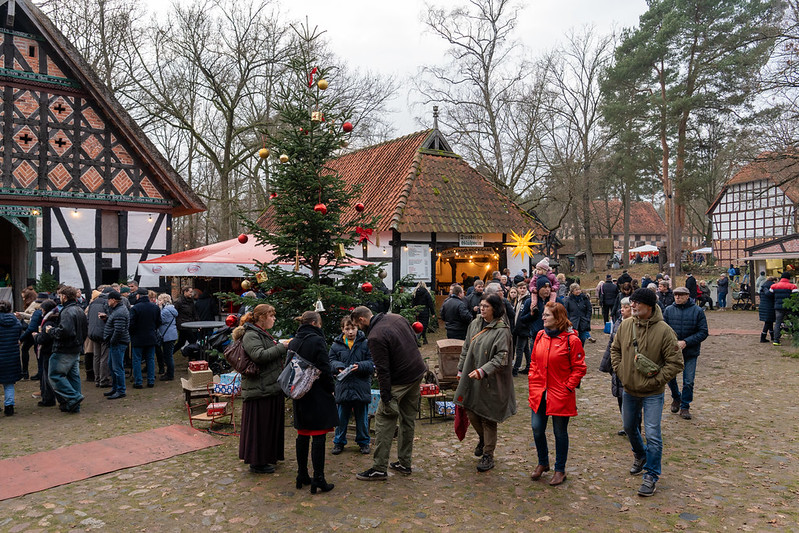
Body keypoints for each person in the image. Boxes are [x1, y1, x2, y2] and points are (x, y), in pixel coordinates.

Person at [610, 288, 683, 497]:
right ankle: (640, 455)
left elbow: (676, 363)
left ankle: (651, 475)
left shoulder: (664, 331)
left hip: (653, 393)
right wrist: (622, 371)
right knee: (629, 427)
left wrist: (656, 381)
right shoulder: (625, 325)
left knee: (652, 434)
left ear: (649, 306)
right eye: (631, 302)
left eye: (637, 302)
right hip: (629, 389)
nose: (632, 305)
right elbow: (615, 349)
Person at [351, 306, 426, 481]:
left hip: (400, 380)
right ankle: (404, 463)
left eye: (357, 325)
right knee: (408, 420)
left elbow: (382, 370)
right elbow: (414, 341)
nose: (359, 329)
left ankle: (379, 468)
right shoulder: (397, 318)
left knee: (384, 421)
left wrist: (385, 397)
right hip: (416, 373)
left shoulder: (375, 336)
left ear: (362, 319)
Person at [454, 293, 517, 472]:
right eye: (481, 305)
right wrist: (461, 369)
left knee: (488, 417)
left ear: (495, 309)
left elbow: (501, 357)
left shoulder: (502, 330)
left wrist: (483, 371)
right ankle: (483, 439)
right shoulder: (474, 324)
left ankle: (488, 454)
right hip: (471, 375)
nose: (482, 309)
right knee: (470, 409)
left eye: (486, 306)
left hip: (491, 379)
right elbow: (466, 347)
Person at [528, 302, 587, 486]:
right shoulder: (540, 335)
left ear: (558, 318)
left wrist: (567, 387)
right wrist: (532, 380)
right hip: (539, 391)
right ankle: (543, 462)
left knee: (559, 432)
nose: (543, 317)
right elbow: (533, 361)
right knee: (537, 428)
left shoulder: (572, 340)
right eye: (544, 314)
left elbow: (579, 368)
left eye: (547, 315)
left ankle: (560, 469)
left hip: (560, 394)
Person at [234, 304, 289, 475]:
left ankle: (268, 456)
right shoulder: (251, 335)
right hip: (259, 389)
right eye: (271, 316)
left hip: (268, 386)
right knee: (260, 427)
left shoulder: (261, 333)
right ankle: (257, 462)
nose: (274, 319)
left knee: (269, 425)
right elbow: (259, 355)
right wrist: (282, 347)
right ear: (262, 317)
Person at [289, 311, 338, 494]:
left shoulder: (294, 341)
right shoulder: (317, 341)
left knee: (302, 434)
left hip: (299, 393)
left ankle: (302, 474)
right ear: (315, 323)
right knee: (318, 436)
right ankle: (319, 478)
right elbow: (325, 368)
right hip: (317, 393)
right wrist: (330, 388)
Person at [329, 316, 374, 455]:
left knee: (362, 418)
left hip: (361, 386)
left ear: (357, 328)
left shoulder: (365, 343)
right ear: (342, 329)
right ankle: (339, 442)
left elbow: (372, 362)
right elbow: (331, 361)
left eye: (353, 328)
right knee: (341, 417)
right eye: (347, 329)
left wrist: (360, 366)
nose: (350, 332)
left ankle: (364, 442)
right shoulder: (336, 345)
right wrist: (338, 366)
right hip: (344, 386)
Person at [663, 287, 708, 420]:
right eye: (676, 295)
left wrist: (686, 342)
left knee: (688, 381)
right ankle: (676, 397)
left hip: (690, 351)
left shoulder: (697, 311)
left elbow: (703, 332)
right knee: (670, 378)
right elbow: (663, 330)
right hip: (672, 351)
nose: (678, 297)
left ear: (687, 296)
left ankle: (685, 406)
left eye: (681, 295)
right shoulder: (669, 310)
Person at [48, 286, 88, 414]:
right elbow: (84, 330)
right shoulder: (79, 310)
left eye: (60, 295)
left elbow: (65, 331)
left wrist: (51, 331)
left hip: (64, 349)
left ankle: (74, 397)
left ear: (64, 296)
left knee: (55, 375)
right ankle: (74, 405)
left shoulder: (67, 312)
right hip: (76, 348)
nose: (59, 298)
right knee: (73, 377)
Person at [599, 296, 632, 436]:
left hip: (629, 365)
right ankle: (626, 424)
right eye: (622, 307)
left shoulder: (635, 323)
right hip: (617, 364)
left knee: (630, 397)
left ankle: (633, 427)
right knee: (620, 395)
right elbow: (611, 343)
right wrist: (606, 363)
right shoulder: (618, 321)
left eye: (626, 307)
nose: (622, 310)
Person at [129, 289, 161, 389]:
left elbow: (131, 324)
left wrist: (133, 333)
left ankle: (138, 382)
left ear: (138, 296)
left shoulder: (135, 308)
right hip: (151, 336)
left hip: (137, 337)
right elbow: (159, 322)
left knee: (137, 360)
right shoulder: (155, 307)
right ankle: (151, 381)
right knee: (150, 359)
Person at [103, 291, 129, 400]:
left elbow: (119, 330)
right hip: (116, 343)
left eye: (108, 299)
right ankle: (115, 388)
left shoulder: (119, 312)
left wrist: (112, 341)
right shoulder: (117, 310)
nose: (107, 302)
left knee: (117, 368)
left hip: (118, 343)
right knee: (112, 366)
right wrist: (106, 319)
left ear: (113, 300)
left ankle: (121, 390)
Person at [86, 287, 112, 388]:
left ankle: (97, 379)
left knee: (96, 356)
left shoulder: (92, 303)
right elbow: (109, 318)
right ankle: (103, 380)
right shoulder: (106, 303)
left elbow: (88, 318)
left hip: (93, 332)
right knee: (104, 357)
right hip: (103, 333)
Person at [34, 300, 59, 407]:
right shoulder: (56, 319)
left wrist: (36, 336)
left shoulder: (48, 323)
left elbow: (44, 338)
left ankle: (48, 398)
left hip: (47, 350)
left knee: (47, 375)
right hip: (53, 350)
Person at [0, 300, 23, 416]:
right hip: (11, 357)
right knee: (9, 383)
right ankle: (9, 406)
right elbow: (19, 336)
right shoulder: (16, 323)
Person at [769, 272, 798, 346]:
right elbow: (796, 297)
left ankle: (776, 340)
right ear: (789, 278)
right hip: (789, 307)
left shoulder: (774, 286)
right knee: (793, 322)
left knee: (778, 323)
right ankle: (795, 338)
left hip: (778, 307)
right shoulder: (793, 286)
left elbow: (770, 295)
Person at [156, 294, 179, 381]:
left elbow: (160, 320)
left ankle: (170, 374)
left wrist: (159, 309)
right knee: (168, 355)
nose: (158, 302)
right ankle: (169, 373)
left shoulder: (165, 311)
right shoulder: (171, 309)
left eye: (159, 300)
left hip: (168, 336)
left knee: (168, 356)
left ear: (164, 301)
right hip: (171, 334)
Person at [174, 286, 199, 350]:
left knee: (181, 343)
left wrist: (198, 323)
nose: (191, 294)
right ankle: (194, 354)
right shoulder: (179, 302)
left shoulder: (190, 301)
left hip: (188, 324)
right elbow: (175, 313)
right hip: (183, 325)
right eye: (190, 292)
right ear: (185, 292)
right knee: (193, 341)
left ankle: (168, 354)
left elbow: (194, 313)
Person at [758, 277, 775, 343]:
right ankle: (763, 337)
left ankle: (772, 336)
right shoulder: (771, 287)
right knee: (768, 322)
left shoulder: (763, 287)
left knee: (769, 322)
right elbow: (770, 295)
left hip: (763, 306)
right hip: (769, 306)